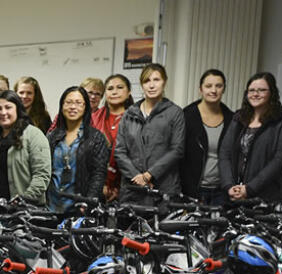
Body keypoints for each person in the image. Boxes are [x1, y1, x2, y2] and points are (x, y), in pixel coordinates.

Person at [219, 71, 282, 206]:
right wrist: (229, 185)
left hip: (268, 199)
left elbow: (281, 159)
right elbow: (225, 154)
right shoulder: (239, 118)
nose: (255, 94)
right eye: (251, 90)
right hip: (235, 196)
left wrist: (249, 189)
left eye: (261, 90)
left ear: (271, 93)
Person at [115, 63, 184, 204]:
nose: (151, 85)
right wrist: (137, 177)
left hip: (164, 188)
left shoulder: (175, 112)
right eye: (147, 81)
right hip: (132, 188)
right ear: (142, 85)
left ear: (164, 82)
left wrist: (149, 175)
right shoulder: (129, 113)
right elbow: (120, 151)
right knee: (130, 225)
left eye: (156, 80)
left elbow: (177, 150)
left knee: (160, 226)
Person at [0, 90, 51, 205]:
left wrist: (22, 201)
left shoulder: (33, 135)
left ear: (17, 109)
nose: (3, 112)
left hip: (22, 211)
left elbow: (42, 175)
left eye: (8, 107)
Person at [47, 86, 110, 212]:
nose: (72, 107)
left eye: (78, 103)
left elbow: (98, 174)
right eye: (68, 102)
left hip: (79, 207)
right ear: (62, 106)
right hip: (51, 205)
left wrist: (89, 202)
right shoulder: (52, 136)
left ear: (85, 107)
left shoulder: (95, 138)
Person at [180, 69, 232, 204]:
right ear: (200, 89)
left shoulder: (232, 119)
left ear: (224, 89)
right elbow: (178, 154)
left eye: (218, 86)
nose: (213, 90)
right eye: (208, 86)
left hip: (222, 191)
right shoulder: (186, 116)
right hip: (193, 190)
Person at [92, 73, 132, 201]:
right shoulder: (93, 118)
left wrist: (118, 187)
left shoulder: (136, 119)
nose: (114, 92)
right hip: (95, 185)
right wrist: (101, 184)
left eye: (120, 87)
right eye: (110, 89)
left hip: (127, 185)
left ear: (129, 92)